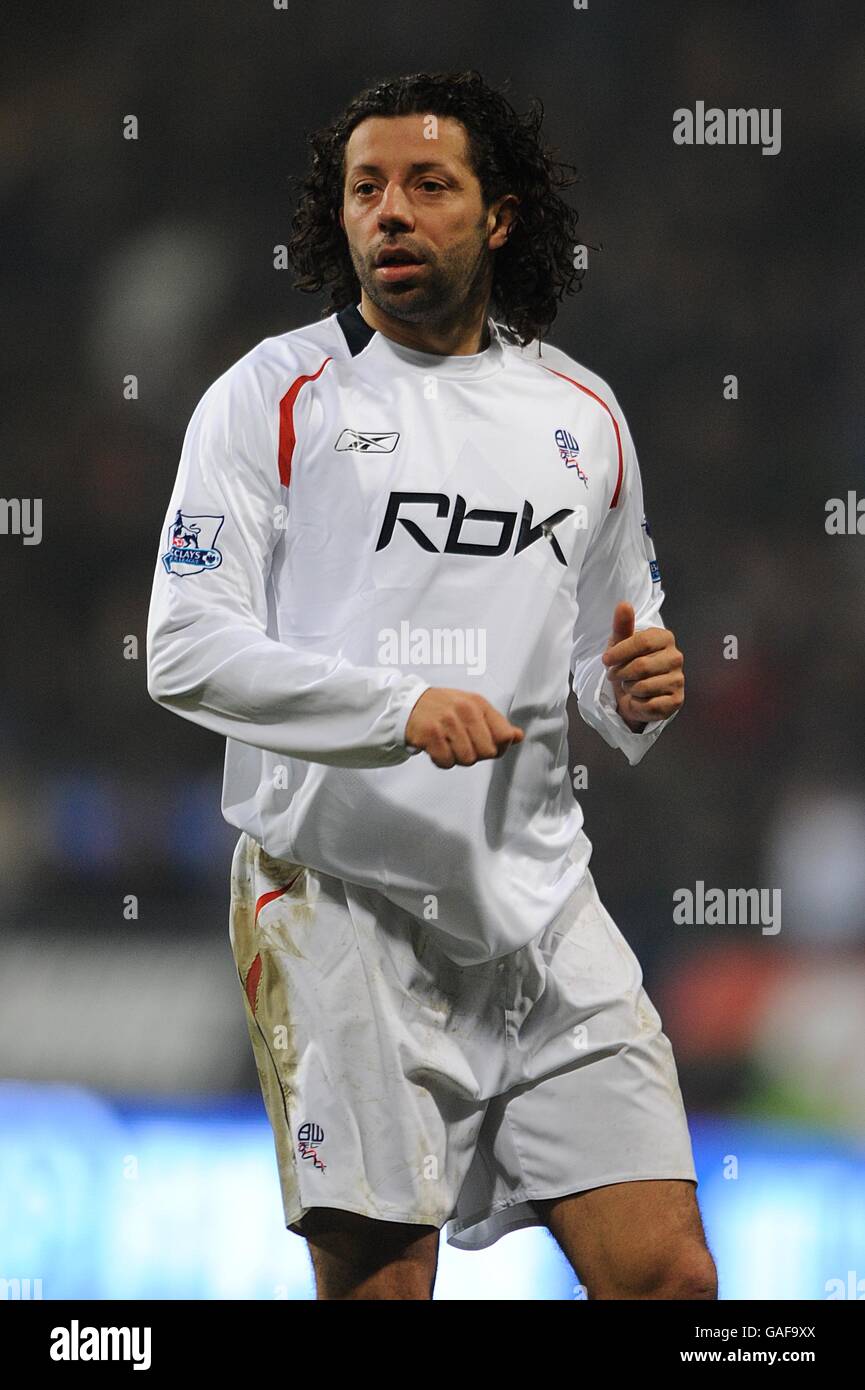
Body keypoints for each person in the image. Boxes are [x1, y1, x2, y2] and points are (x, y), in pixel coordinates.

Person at [146, 69, 716, 1302]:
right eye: (365, 189)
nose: (390, 211)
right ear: (336, 217)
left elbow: (611, 658)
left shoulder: (582, 414)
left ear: (497, 216)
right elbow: (184, 645)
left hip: (541, 906)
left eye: (426, 184)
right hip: (340, 903)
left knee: (670, 1280)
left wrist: (637, 693)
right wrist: (394, 710)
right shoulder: (271, 398)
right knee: (383, 1291)